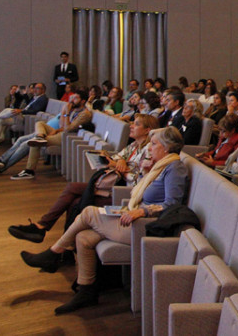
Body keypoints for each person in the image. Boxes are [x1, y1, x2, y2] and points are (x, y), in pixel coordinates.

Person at [20, 127, 188, 314]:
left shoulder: (175, 167)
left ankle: (54, 253)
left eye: (154, 144)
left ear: (166, 148)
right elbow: (142, 192)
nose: (149, 148)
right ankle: (86, 291)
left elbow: (173, 205)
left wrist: (142, 211)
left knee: (88, 212)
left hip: (147, 228)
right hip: (134, 219)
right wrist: (144, 173)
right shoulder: (159, 166)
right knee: (83, 237)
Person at [7, 114, 158, 244]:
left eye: (136, 124)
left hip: (123, 193)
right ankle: (53, 237)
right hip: (112, 186)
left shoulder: (149, 151)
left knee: (73, 192)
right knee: (73, 199)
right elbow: (117, 157)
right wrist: (120, 162)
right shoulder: (133, 145)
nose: (131, 126)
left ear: (147, 130)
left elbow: (140, 179)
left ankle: (44, 228)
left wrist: (122, 169)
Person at [0, 90, 92, 180]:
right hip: (61, 132)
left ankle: (26, 170)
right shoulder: (74, 110)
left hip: (66, 137)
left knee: (29, 143)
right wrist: (64, 114)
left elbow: (69, 129)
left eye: (76, 98)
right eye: (73, 98)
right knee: (39, 124)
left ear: (83, 101)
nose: (72, 101)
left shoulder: (85, 114)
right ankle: (39, 136)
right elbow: (62, 124)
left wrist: (66, 113)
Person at [0, 82, 48, 150]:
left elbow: (35, 111)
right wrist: (20, 110)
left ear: (43, 90)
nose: (34, 90)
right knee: (0, 120)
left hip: (26, 117)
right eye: (35, 88)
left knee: (10, 110)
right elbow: (25, 104)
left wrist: (21, 111)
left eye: (37, 88)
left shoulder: (43, 99)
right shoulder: (35, 98)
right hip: (21, 116)